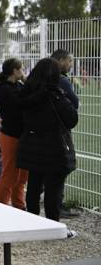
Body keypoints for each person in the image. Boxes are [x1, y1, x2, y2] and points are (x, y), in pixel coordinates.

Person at [17, 57, 78, 238]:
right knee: (54, 188)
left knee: (34, 184)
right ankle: (52, 225)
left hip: (32, 145)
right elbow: (72, 119)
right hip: (54, 147)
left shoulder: (25, 94)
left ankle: (33, 222)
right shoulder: (54, 95)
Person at [0, 57, 27, 209]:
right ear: (15, 71)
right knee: (10, 175)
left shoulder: (17, 85)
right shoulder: (4, 89)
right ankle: (2, 207)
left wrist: (26, 83)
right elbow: (21, 104)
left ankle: (19, 206)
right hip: (10, 136)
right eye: (22, 69)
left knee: (21, 176)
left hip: (21, 136)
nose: (24, 72)